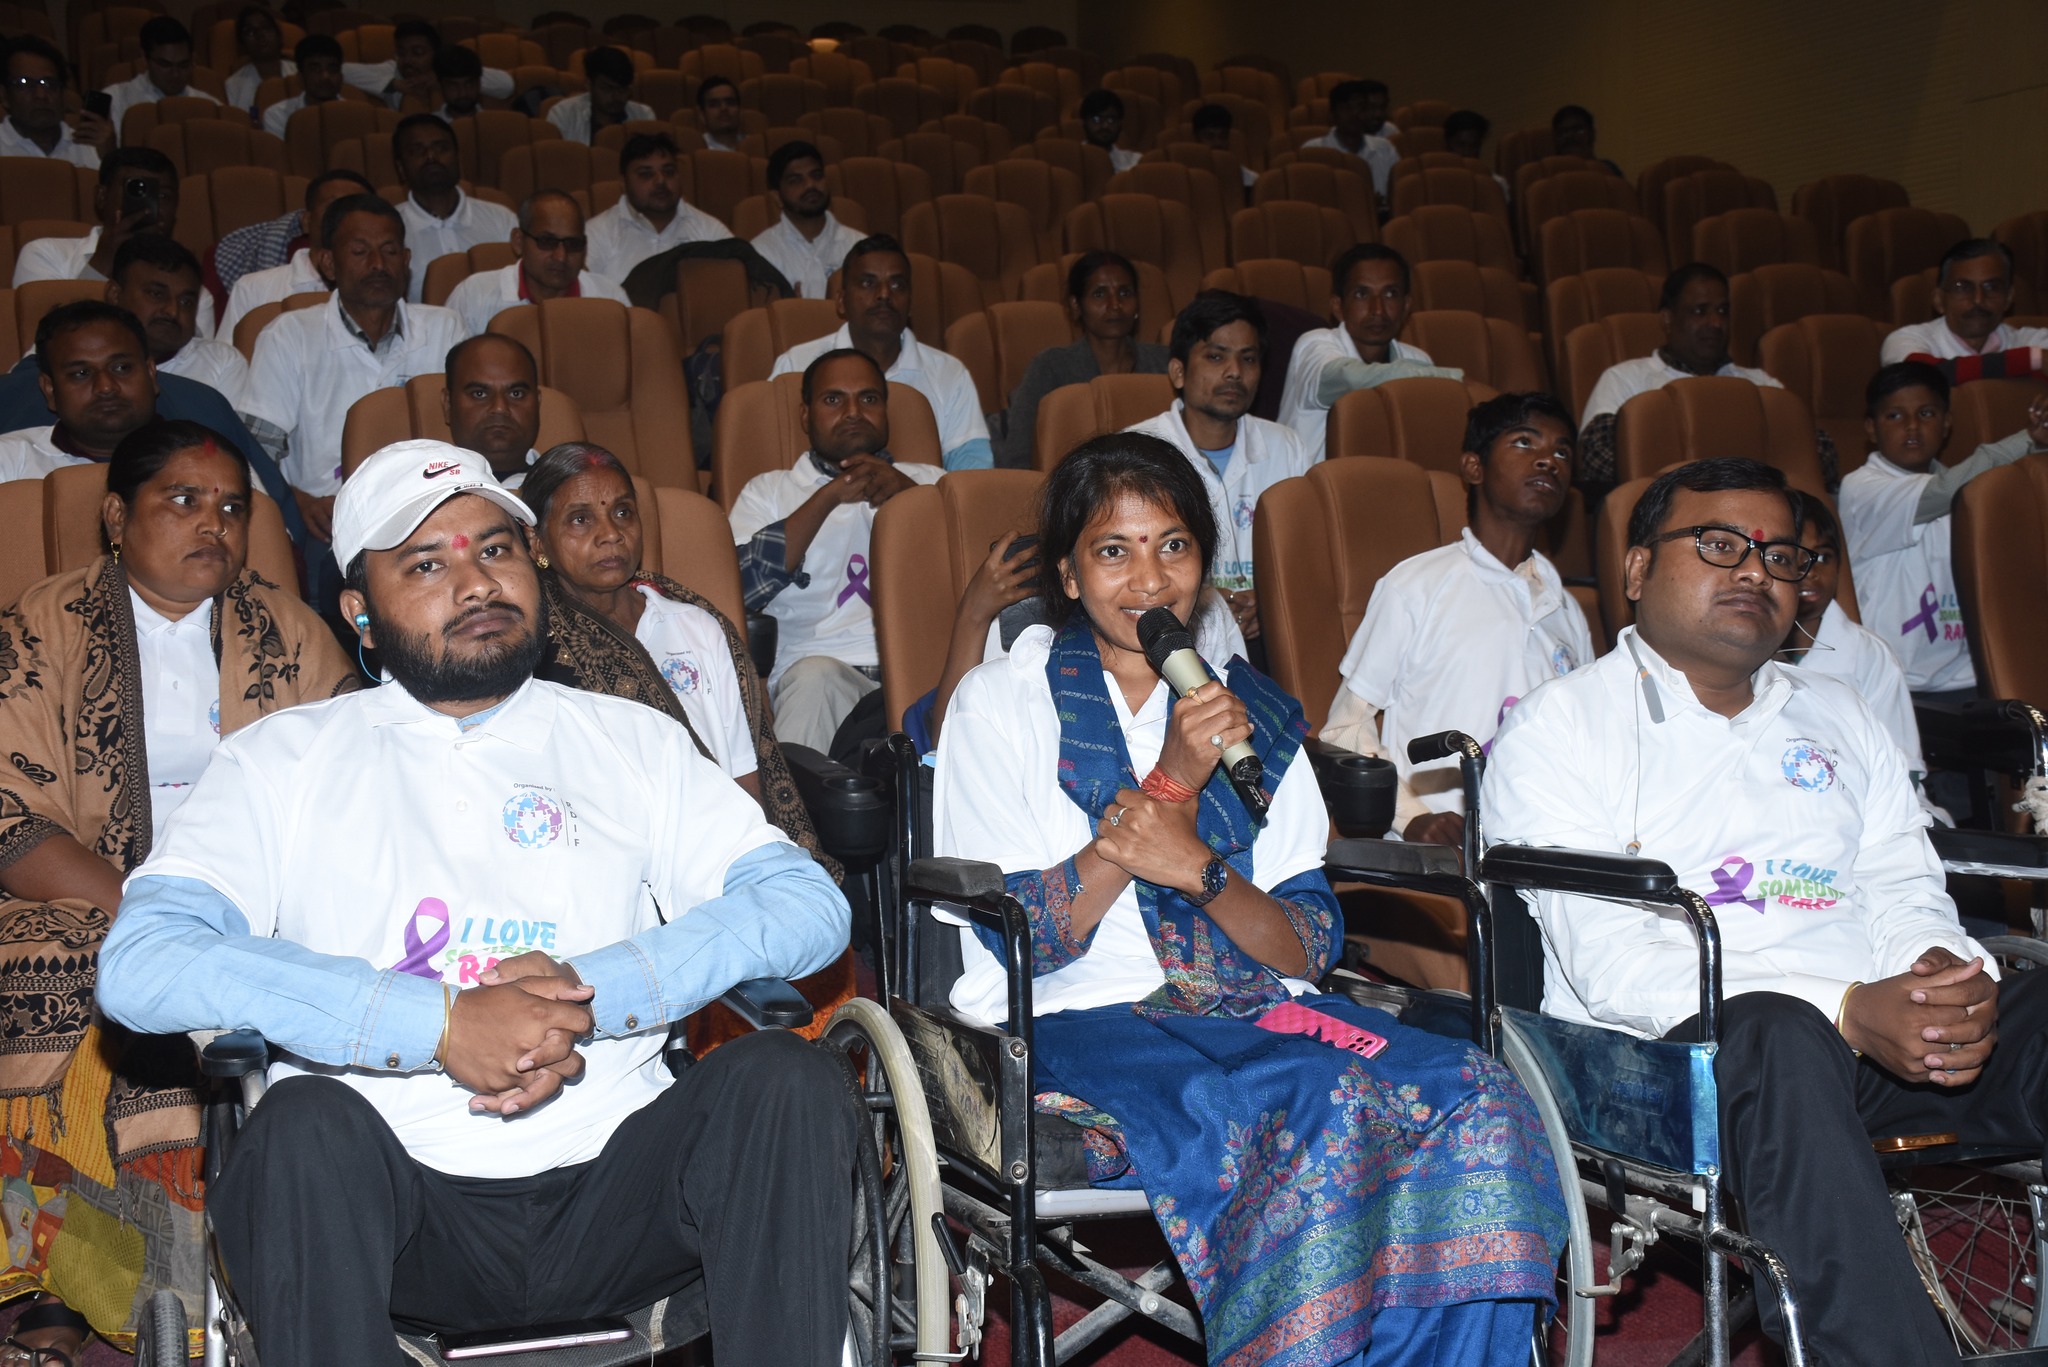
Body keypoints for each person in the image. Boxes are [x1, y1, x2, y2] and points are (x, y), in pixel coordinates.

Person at [96, 438, 858, 1367]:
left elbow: (806, 902)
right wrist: (439, 1023)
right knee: (298, 1128)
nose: (475, 582)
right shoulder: (278, 760)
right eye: (426, 564)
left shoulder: (633, 740)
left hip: (621, 1190)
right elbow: (143, 961)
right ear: (359, 611)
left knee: (786, 1078)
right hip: (392, 1211)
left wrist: (591, 989)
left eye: (495, 549)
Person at [933, 432, 1568, 1367]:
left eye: (1173, 546)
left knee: (1477, 1091)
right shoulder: (1001, 702)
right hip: (1079, 1013)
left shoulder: (1253, 715)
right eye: (1113, 550)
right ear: (1068, 575)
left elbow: (1305, 946)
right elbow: (1028, 934)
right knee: (1323, 1106)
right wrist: (1169, 782)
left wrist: (1199, 867)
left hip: (1254, 1005)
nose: (1149, 578)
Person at [1484, 455, 2048, 1367]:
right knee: (1779, 1035)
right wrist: (1847, 1008)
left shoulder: (1840, 712)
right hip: (1669, 1066)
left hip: (1871, 1036)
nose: (1756, 570)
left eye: (1781, 556)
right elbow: (1621, 967)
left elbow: (1901, 879)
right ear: (1637, 569)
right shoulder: (1562, 726)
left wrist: (1938, 969)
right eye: (1720, 546)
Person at [0, 419, 352, 1362]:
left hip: (255, 898)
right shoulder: (41, 623)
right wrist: (155, 918)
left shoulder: (286, 628)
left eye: (232, 508)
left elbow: (354, 782)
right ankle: (71, 1280)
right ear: (118, 517)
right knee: (66, 970)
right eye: (184, 501)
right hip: (88, 895)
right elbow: (9, 809)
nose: (214, 524)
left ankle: (234, 1274)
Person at [521, 441, 859, 1049]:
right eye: (580, 519)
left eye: (623, 513)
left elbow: (746, 783)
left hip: (711, 859)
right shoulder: (526, 648)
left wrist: (747, 888)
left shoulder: (695, 627)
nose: (609, 533)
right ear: (538, 543)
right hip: (598, 877)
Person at [1321, 393, 1593, 844]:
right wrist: (1411, 817)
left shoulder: (1566, 609)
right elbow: (1344, 729)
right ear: (1473, 467)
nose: (1549, 461)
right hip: (1441, 849)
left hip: (1545, 846)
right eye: (1525, 443)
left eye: (1562, 452)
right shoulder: (1416, 586)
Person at [731, 348, 944, 751]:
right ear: (805, 416)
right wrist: (828, 497)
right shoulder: (769, 492)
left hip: (924, 674)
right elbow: (737, 590)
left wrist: (913, 500)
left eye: (868, 398)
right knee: (816, 678)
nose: (853, 412)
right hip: (818, 676)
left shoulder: (931, 483)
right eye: (833, 399)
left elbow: (976, 576)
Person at [241, 194, 469, 546]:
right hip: (328, 522)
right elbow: (256, 449)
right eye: (360, 252)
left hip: (432, 511)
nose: (378, 264)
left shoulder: (445, 328)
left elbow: (472, 434)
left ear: (406, 260)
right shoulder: (289, 335)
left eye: (390, 251)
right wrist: (297, 501)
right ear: (328, 263)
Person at [1837, 361, 2048, 701]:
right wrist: (2029, 440)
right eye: (1894, 416)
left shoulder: (1966, 486)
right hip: (1893, 680)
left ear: (1947, 423)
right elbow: (1944, 492)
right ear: (1871, 428)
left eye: (1926, 413)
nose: (1912, 426)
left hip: (1967, 676)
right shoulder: (1862, 487)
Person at [1126, 291, 1314, 642]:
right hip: (1171, 627)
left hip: (1270, 631)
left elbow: (1306, 552)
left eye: (1248, 359)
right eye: (1216, 357)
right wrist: (1204, 601)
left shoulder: (1287, 447)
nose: (1235, 372)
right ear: (1178, 371)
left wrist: (1269, 600)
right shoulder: (1136, 451)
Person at [769, 235, 992, 470]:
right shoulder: (795, 365)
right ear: (842, 300)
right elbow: (773, 455)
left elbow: (972, 471)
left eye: (897, 285)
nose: (884, 294)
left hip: (920, 493)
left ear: (910, 302)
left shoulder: (949, 373)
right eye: (868, 283)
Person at [1781, 490, 1936, 814]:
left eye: (1823, 557)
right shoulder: (1742, 652)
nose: (1811, 571)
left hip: (1876, 810)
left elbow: (1902, 768)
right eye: (1794, 557)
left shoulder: (1868, 653)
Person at [1577, 262, 1796, 490]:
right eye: (1700, 311)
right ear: (1667, 319)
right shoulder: (1624, 379)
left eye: (1723, 311)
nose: (1716, 323)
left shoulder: (1762, 385)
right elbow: (1595, 462)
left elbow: (1808, 455)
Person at [15, 146, 219, 340]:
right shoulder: (46, 254)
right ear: (102, 197)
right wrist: (106, 257)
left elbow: (193, 357)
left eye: (164, 196)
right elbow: (42, 337)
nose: (150, 207)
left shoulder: (192, 294)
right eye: (136, 192)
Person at [1277, 243, 1457, 462]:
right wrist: (1453, 380)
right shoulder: (1315, 344)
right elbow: (1351, 379)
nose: (1377, 309)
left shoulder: (1417, 359)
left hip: (1386, 478)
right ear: (1338, 306)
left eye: (1390, 294)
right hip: (1307, 481)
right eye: (1362, 294)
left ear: (1406, 305)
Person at [995, 252, 1169, 470]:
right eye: (1099, 294)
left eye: (1125, 293)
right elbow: (1018, 455)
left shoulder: (1164, 363)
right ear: (1076, 305)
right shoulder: (1050, 367)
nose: (1115, 304)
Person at [0, 301, 159, 481]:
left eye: (122, 367)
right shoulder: (9, 459)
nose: (105, 387)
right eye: (81, 373)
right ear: (50, 389)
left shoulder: (187, 452)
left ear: (151, 373)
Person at [444, 191, 630, 336]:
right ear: (518, 241)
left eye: (573, 244)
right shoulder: (474, 295)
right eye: (547, 242)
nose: (561, 257)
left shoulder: (610, 298)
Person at [207, 168, 373, 320]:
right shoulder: (252, 288)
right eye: (333, 207)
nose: (346, 219)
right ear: (307, 222)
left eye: (355, 210)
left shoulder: (381, 287)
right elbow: (230, 345)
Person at [107, 236, 249, 408]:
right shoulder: (85, 357)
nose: (173, 311)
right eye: (156, 294)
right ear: (115, 294)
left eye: (186, 302)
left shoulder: (222, 362)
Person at [391, 114, 518, 303]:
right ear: (401, 168)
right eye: (418, 151)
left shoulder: (502, 219)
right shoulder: (389, 228)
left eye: (441, 148)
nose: (431, 157)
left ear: (458, 158)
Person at [1881, 238, 2048, 381]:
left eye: (1992, 287)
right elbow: (1925, 376)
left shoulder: (2034, 340)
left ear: (2009, 298)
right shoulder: (1906, 340)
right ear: (1939, 300)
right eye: (1962, 287)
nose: (1978, 299)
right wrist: (2032, 359)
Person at [585, 132, 733, 284]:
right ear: (623, 183)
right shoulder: (597, 233)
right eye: (646, 174)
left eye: (669, 172)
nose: (661, 180)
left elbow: (735, 282)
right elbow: (583, 291)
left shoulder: (709, 230)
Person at [748, 140, 863, 300]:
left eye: (816, 175)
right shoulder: (761, 253)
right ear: (777, 197)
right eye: (796, 180)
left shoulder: (859, 247)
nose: (810, 185)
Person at [342, 19, 513, 112]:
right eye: (401, 53)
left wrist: (443, 78)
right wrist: (393, 85)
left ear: (436, 52)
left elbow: (506, 85)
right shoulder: (391, 71)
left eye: (417, 53)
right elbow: (342, 70)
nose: (407, 60)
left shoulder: (451, 67)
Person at [441, 333, 544, 486]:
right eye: (479, 394)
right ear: (448, 404)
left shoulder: (566, 486)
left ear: (538, 402)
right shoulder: (419, 488)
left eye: (516, 394)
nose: (499, 408)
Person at [101, 17, 219, 140]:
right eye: (165, 65)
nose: (175, 74)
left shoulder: (211, 106)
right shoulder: (115, 99)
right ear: (144, 58)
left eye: (183, 65)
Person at [1, 36, 111, 167]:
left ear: (63, 93)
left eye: (50, 84)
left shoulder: (90, 146)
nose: (41, 95)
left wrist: (109, 154)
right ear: (5, 96)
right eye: (25, 84)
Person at [1300, 79, 1398, 198]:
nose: (1355, 114)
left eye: (1361, 107)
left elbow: (1398, 195)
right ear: (1332, 115)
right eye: (1347, 108)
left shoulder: (1385, 148)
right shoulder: (1313, 151)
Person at [547, 45, 652, 144]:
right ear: (589, 85)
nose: (616, 96)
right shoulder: (563, 114)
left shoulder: (644, 115)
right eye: (607, 89)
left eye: (622, 89)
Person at [259, 34, 347, 140]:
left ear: (341, 77)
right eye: (316, 69)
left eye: (332, 69)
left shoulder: (355, 115)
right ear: (300, 78)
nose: (325, 77)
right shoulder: (278, 115)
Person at [223, 5, 292, 116]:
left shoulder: (299, 73)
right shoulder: (233, 85)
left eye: (266, 28)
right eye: (250, 32)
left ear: (279, 35)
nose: (260, 35)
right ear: (242, 44)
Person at [1187, 103, 1254, 188]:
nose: (1217, 143)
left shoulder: (1248, 180)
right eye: (1209, 137)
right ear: (1196, 138)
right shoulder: (1184, 178)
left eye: (1223, 136)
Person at [1077, 88, 1140, 173]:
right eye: (1097, 120)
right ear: (1084, 122)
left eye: (1111, 120)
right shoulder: (1074, 159)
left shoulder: (1135, 161)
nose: (1105, 126)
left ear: (1120, 124)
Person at [1550, 104, 1622, 176]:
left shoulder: (1608, 170)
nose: (1570, 136)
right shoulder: (1550, 172)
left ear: (1592, 134)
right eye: (1563, 132)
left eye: (1578, 130)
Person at [429, 42, 486, 122]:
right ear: (440, 86)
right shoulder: (429, 125)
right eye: (453, 86)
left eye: (469, 84)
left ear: (479, 83)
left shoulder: (495, 123)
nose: (463, 93)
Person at [690, 75, 746, 152]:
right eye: (714, 104)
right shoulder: (695, 149)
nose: (724, 108)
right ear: (702, 114)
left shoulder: (754, 145)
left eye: (730, 102)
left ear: (740, 110)